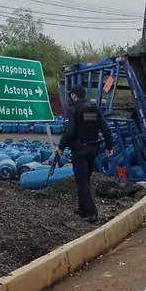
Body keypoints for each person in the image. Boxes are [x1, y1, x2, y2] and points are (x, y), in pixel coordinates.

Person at [56, 85, 114, 223]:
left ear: (74, 96)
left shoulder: (73, 110)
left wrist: (61, 147)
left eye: (71, 95)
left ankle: (90, 213)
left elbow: (69, 132)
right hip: (93, 149)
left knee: (82, 182)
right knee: (85, 179)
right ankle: (82, 208)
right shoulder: (93, 109)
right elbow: (105, 128)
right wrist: (109, 146)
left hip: (80, 150)